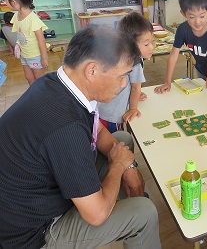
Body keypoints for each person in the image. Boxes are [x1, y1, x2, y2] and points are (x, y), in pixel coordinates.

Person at [0, 27, 161, 248]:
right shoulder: (65, 127)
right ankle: (129, 216)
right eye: (122, 75)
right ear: (92, 70)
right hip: (34, 232)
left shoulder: (56, 83)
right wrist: (118, 166)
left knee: (121, 138)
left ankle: (124, 203)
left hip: (40, 191)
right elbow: (96, 216)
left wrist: (129, 167)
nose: (125, 84)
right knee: (143, 214)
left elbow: (97, 129)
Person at [154, 0, 207, 99]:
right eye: (192, 17)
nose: (197, 21)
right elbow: (173, 56)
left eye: (202, 16)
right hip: (200, 71)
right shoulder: (182, 29)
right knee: (202, 100)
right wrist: (167, 82)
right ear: (183, 14)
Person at [98, 12, 154, 133]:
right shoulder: (135, 61)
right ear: (130, 44)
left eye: (152, 42)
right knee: (114, 141)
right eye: (146, 44)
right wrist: (133, 108)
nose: (151, 47)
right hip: (112, 114)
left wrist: (136, 95)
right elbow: (135, 87)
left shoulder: (120, 53)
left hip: (102, 108)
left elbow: (129, 84)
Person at [3, 0, 49, 85]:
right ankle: (34, 97)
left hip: (35, 55)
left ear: (13, 2)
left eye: (5, 0)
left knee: (39, 80)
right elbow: (20, 33)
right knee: (28, 77)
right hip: (24, 54)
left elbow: (41, 40)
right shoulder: (16, 16)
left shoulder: (33, 19)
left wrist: (44, 58)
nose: (4, 3)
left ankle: (43, 98)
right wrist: (18, 47)